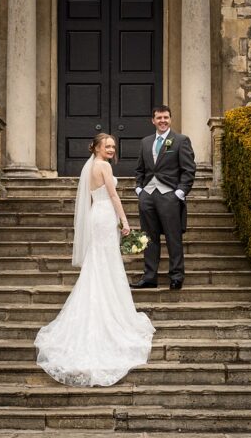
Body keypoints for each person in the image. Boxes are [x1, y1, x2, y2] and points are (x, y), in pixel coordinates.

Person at [34, 133, 155, 386]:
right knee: (106, 263)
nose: (111, 149)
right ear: (97, 148)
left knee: (99, 263)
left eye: (113, 146)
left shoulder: (89, 166)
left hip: (95, 215)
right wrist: (126, 222)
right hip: (105, 214)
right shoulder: (104, 166)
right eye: (107, 146)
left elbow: (93, 197)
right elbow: (113, 196)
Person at [132, 105, 196, 291]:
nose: (162, 121)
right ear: (153, 120)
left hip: (169, 196)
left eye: (166, 117)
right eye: (159, 118)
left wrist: (180, 192)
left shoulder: (180, 140)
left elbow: (188, 169)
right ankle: (149, 277)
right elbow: (140, 169)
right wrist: (139, 189)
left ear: (170, 119)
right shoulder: (145, 142)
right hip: (147, 196)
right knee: (148, 238)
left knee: (173, 237)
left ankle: (176, 276)